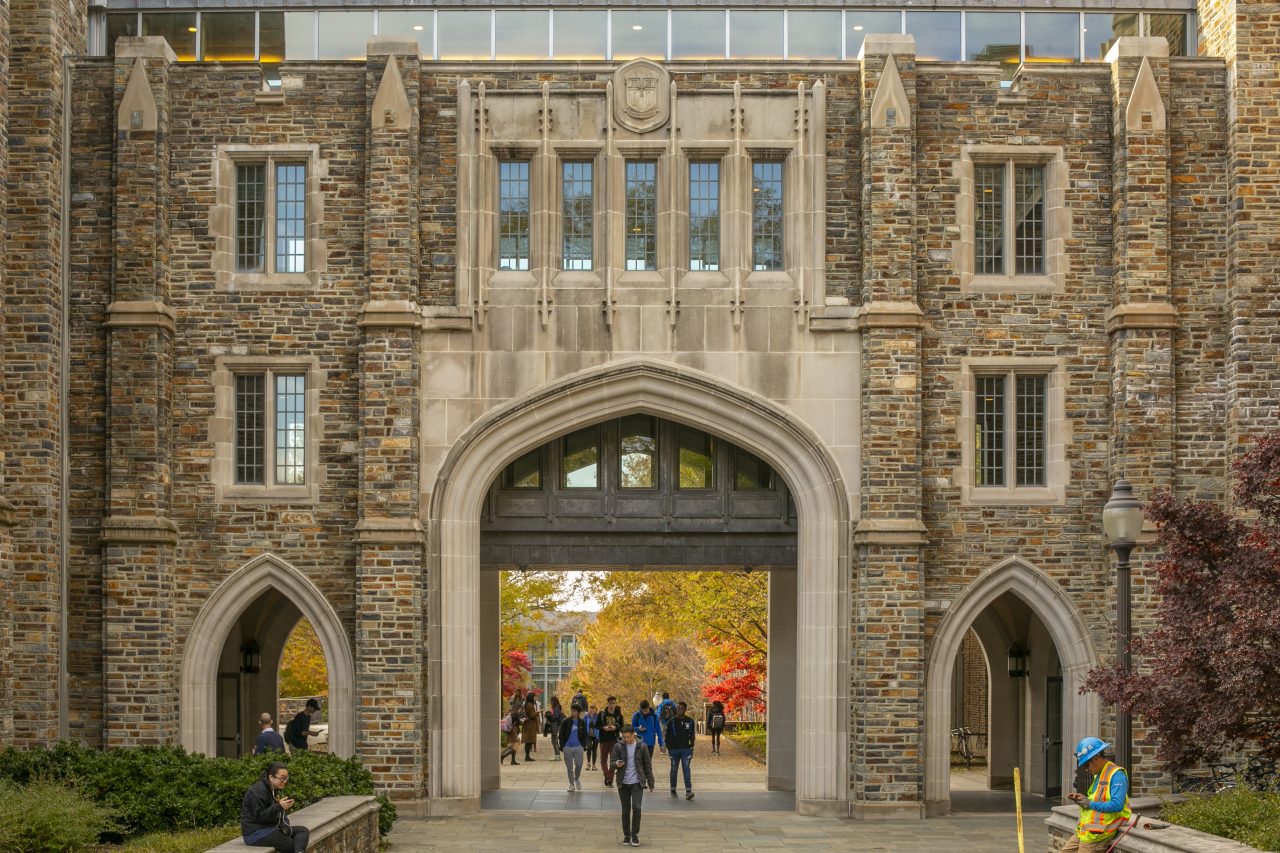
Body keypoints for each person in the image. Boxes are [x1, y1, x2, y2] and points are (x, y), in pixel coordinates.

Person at [1062, 737, 1131, 853]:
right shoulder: (1099, 775)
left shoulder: (1117, 775)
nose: (1085, 770)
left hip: (1099, 835)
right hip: (1086, 831)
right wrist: (1084, 800)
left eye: (1086, 765)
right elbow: (1099, 800)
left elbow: (1117, 805)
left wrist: (1089, 804)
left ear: (1096, 758)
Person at [240, 761, 310, 852]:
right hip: (256, 834)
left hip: (270, 828)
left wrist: (285, 826)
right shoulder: (257, 792)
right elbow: (260, 817)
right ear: (271, 777)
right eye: (282, 778)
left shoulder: (273, 788)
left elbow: (277, 813)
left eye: (286, 778)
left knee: (303, 831)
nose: (285, 781)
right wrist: (279, 806)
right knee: (294, 845)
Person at [610, 724, 654, 847]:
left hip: (637, 782)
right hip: (623, 783)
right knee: (625, 810)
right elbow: (611, 763)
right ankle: (626, 835)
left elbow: (647, 766)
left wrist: (650, 782)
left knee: (637, 808)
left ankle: (634, 835)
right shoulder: (618, 746)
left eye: (628, 737)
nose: (626, 739)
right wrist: (616, 764)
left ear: (633, 734)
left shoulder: (642, 746)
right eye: (623, 737)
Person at [664, 701, 697, 800]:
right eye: (678, 708)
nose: (679, 710)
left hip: (686, 749)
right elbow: (667, 735)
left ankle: (688, 791)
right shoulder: (672, 721)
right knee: (674, 769)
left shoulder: (690, 721)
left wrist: (691, 746)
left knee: (686, 769)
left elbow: (692, 735)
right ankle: (673, 789)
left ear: (685, 710)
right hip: (674, 750)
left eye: (682, 708)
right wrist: (669, 748)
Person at [559, 703, 590, 792]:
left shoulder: (582, 722)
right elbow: (561, 735)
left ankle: (576, 778)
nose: (573, 713)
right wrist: (563, 746)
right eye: (572, 711)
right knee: (569, 767)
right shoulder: (566, 721)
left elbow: (585, 735)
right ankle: (571, 784)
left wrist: (583, 746)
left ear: (579, 712)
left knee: (579, 765)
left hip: (578, 747)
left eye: (575, 711)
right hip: (567, 747)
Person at [597, 696, 625, 787]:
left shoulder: (619, 715)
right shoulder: (602, 714)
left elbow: (622, 726)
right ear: (607, 703)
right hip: (604, 739)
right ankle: (607, 776)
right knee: (603, 760)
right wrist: (604, 728)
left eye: (613, 703)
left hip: (614, 740)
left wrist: (615, 728)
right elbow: (597, 725)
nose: (612, 705)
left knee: (613, 760)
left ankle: (609, 779)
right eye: (610, 703)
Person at [521, 692, 541, 761]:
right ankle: (527, 756)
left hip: (527, 725)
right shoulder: (530, 705)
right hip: (530, 725)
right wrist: (538, 712)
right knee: (529, 741)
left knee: (528, 742)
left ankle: (527, 756)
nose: (534, 698)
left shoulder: (526, 704)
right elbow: (532, 715)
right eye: (533, 697)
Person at [583, 703, 600, 770]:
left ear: (596, 709)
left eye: (593, 709)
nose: (592, 710)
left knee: (594, 750)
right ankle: (588, 763)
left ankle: (593, 765)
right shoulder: (586, 716)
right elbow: (583, 724)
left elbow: (600, 725)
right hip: (588, 735)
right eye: (591, 708)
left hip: (596, 735)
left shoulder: (598, 716)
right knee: (589, 747)